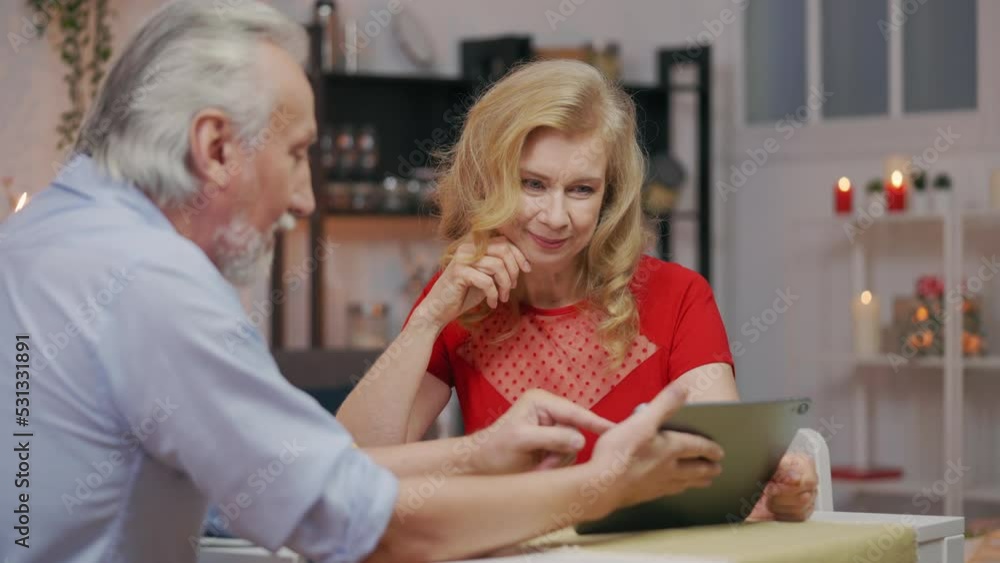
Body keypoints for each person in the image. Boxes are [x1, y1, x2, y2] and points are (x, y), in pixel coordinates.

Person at [0, 2, 731, 562]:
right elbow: (358, 520)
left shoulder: (32, 242)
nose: (304, 200)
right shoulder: (157, 287)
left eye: (582, 189)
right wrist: (601, 486)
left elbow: (288, 473)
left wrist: (473, 455)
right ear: (215, 147)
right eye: (297, 154)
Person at [336, 59, 818, 522]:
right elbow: (350, 468)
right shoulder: (459, 300)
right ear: (488, 181)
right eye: (533, 184)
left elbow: (721, 471)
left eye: (582, 190)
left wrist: (773, 493)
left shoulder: (677, 295)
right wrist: (427, 321)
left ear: (610, 196)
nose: (555, 217)